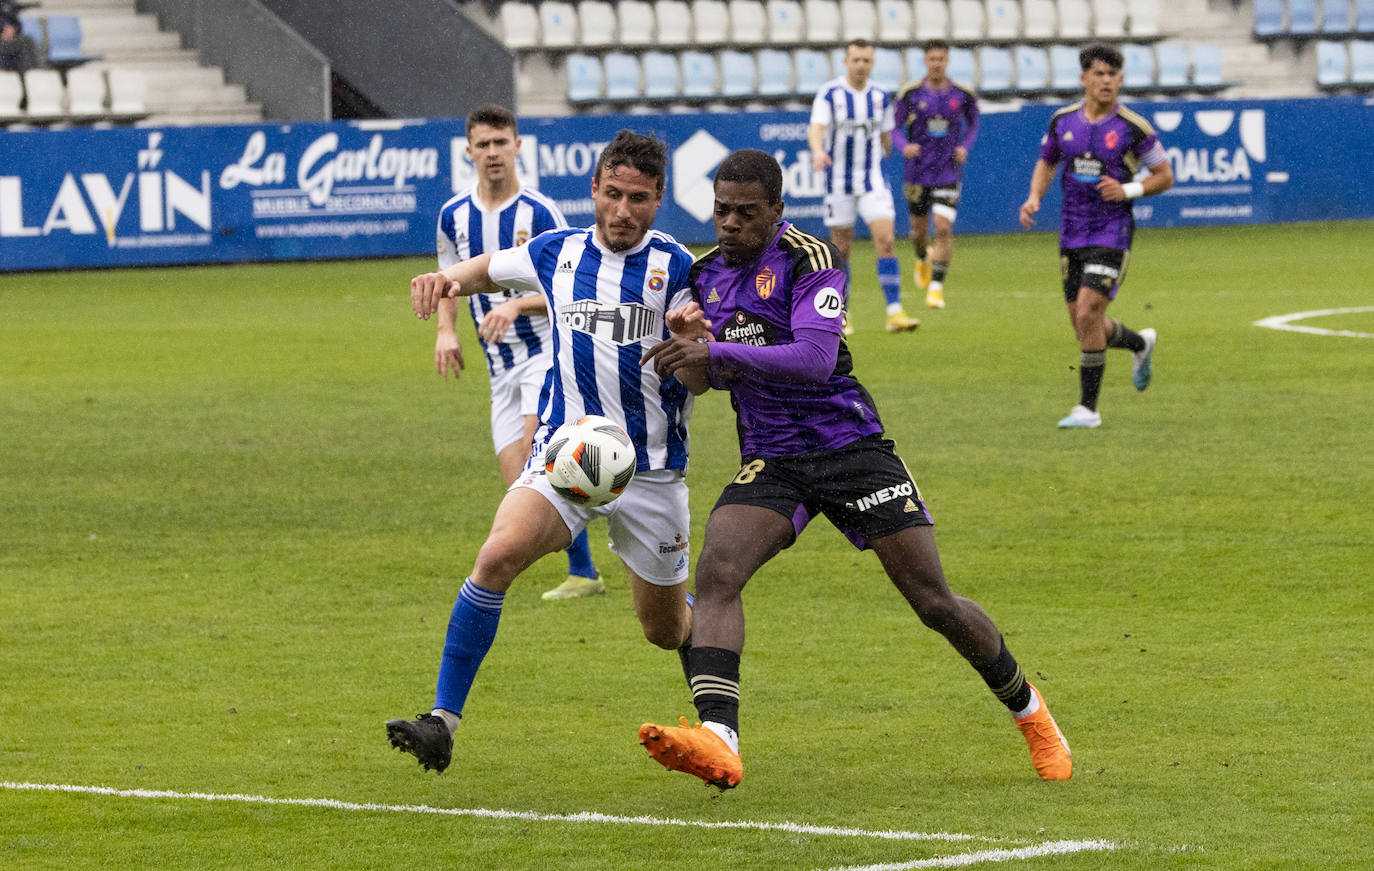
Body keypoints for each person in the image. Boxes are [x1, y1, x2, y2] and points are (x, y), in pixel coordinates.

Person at [636, 149, 1073, 789]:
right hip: (774, 455)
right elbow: (704, 381)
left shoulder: (812, 261)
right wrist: (689, 348)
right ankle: (719, 738)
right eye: (721, 211)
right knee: (718, 570)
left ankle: (1031, 714)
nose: (729, 223)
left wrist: (713, 346)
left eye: (745, 213)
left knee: (933, 602)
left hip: (851, 449)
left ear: (776, 212)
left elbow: (814, 358)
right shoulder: (704, 276)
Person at [388, 130, 701, 773]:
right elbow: (486, 270)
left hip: (651, 471)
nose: (621, 211)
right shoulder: (556, 251)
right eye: (611, 194)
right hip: (569, 454)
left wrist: (690, 342)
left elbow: (702, 379)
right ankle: (442, 722)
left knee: (663, 630)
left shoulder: (680, 270)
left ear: (658, 199)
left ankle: (716, 715)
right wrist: (443, 280)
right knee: (497, 555)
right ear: (593, 189)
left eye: (637, 199)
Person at [431, 104, 602, 601]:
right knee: (522, 484)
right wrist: (446, 332)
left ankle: (587, 570)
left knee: (538, 460)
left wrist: (516, 305)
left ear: (518, 146)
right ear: (469, 152)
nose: (492, 153)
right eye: (482, 145)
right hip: (498, 368)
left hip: (545, 357)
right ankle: (586, 564)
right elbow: (448, 281)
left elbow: (574, 288)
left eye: (500, 142)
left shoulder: (542, 212)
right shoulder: (453, 215)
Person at [1019, 43, 1172, 429]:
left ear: (1120, 80)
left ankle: (1088, 409)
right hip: (1072, 232)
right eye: (1099, 74)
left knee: (1089, 312)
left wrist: (1130, 190)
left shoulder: (1134, 128)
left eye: (1113, 75)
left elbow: (1165, 176)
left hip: (1112, 231)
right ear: (1084, 79)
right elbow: (1047, 161)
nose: (1107, 81)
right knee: (1084, 325)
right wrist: (1035, 197)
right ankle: (1139, 344)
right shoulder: (1063, 121)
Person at [808, 38, 920, 335]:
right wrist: (819, 151)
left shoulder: (881, 96)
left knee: (885, 240)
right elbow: (816, 128)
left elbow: (886, 138)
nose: (860, 65)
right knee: (841, 249)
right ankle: (841, 314)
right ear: (846, 61)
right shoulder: (830, 94)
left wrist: (880, 162)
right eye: (855, 59)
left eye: (866, 60)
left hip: (872, 182)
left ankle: (894, 312)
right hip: (839, 183)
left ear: (872, 63)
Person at [891, 39, 980, 310]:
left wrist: (965, 146)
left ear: (947, 60)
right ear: (925, 61)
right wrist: (904, 146)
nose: (937, 63)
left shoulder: (962, 93)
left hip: (948, 173)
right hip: (917, 173)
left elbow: (974, 123)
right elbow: (893, 128)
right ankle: (921, 258)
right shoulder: (911, 93)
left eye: (941, 59)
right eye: (932, 59)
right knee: (918, 233)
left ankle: (936, 288)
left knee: (942, 227)